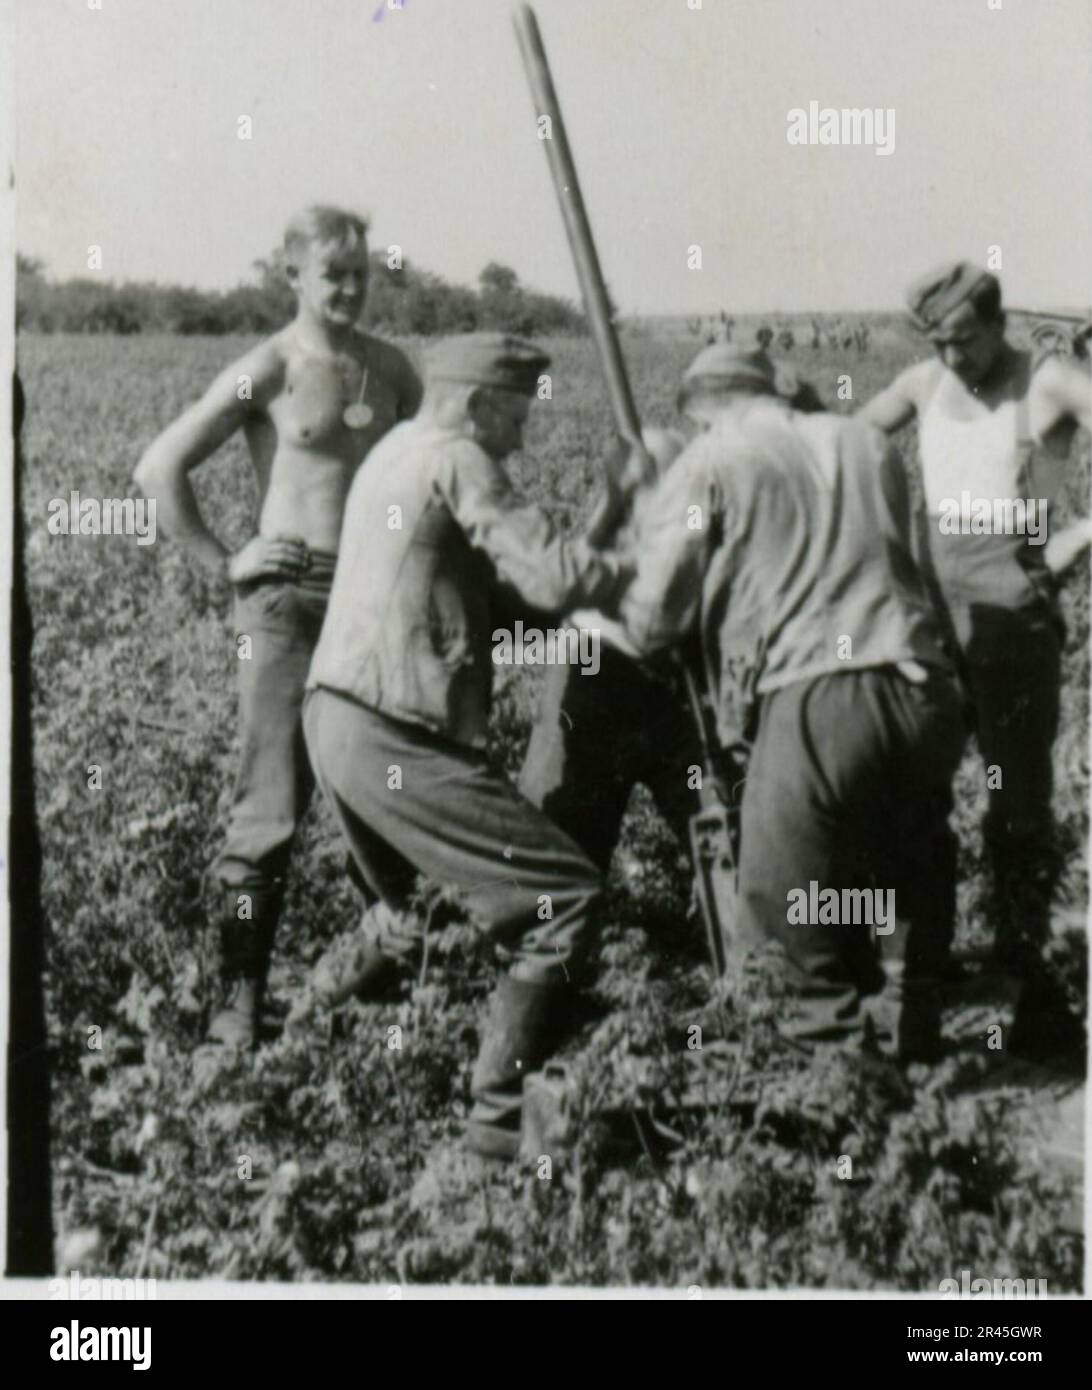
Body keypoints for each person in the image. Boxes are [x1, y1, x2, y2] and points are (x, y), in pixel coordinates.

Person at [302, 332, 632, 1158]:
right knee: (563, 901)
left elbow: (507, 605)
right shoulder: (460, 459)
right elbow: (555, 582)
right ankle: (493, 1128)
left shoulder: (395, 456)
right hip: (393, 729)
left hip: (337, 716)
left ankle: (300, 1042)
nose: (522, 436)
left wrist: (591, 544)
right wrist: (636, 535)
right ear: (479, 402)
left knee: (415, 914)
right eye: (517, 415)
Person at [599, 343, 966, 1057]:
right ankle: (910, 1028)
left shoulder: (712, 461)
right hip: (922, 686)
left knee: (785, 905)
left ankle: (837, 1097)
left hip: (821, 695)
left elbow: (653, 619)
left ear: (702, 411)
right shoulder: (863, 441)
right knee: (905, 859)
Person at [134, 205, 422, 1048]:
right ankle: (239, 999)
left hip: (370, 604)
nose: (350, 288)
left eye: (361, 273)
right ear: (291, 274)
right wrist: (226, 562)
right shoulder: (271, 366)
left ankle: (379, 984)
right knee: (270, 805)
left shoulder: (393, 373)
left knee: (380, 790)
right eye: (332, 273)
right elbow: (159, 467)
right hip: (285, 602)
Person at [860, 263, 1091, 983]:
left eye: (964, 341)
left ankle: (1026, 965)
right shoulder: (926, 385)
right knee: (914, 778)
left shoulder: (1045, 380)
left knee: (1016, 792)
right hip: (931, 613)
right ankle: (918, 958)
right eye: (938, 345)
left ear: (998, 325)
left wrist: (1076, 538)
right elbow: (847, 443)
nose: (952, 359)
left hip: (1013, 618)